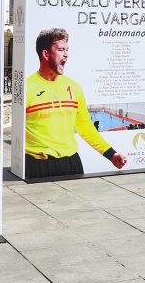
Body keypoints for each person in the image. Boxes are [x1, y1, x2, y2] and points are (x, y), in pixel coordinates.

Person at [24, 28, 127, 179]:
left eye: (67, 50)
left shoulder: (74, 87)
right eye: (61, 49)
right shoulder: (26, 87)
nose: (66, 54)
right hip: (37, 164)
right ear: (46, 54)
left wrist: (111, 154)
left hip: (71, 162)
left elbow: (85, 126)